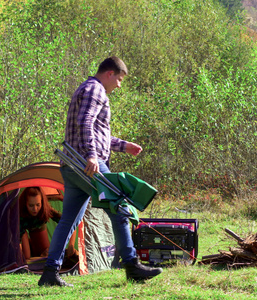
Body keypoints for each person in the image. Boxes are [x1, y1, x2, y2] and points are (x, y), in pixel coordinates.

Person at [38, 56, 162, 287]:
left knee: (68, 221)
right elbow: (85, 123)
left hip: (73, 166)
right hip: (87, 165)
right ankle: (132, 265)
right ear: (110, 73)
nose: (119, 85)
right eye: (120, 79)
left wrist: (123, 146)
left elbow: (97, 132)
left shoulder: (86, 89)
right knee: (120, 208)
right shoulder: (95, 90)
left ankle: (49, 272)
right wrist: (93, 156)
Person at [19, 187, 78, 262]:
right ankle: (29, 243)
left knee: (44, 254)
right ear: (25, 204)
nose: (35, 209)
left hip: (37, 225)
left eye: (38, 205)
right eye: (31, 205)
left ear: (42, 202)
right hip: (21, 228)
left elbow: (70, 223)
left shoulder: (46, 209)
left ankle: (32, 244)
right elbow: (17, 240)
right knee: (25, 257)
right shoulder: (19, 213)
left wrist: (71, 245)